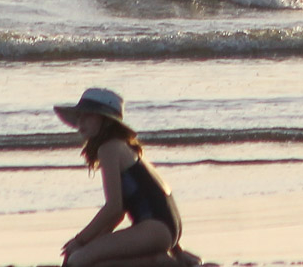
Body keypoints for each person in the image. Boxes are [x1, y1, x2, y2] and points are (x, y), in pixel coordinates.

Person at [55, 87, 198, 267]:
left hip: (154, 228)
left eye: (88, 115)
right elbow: (123, 211)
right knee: (86, 258)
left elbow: (114, 208)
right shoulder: (122, 147)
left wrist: (80, 240)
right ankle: (169, 259)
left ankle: (161, 262)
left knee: (77, 260)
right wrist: (92, 242)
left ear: (106, 120)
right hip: (165, 228)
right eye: (79, 115)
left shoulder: (109, 148)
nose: (80, 120)